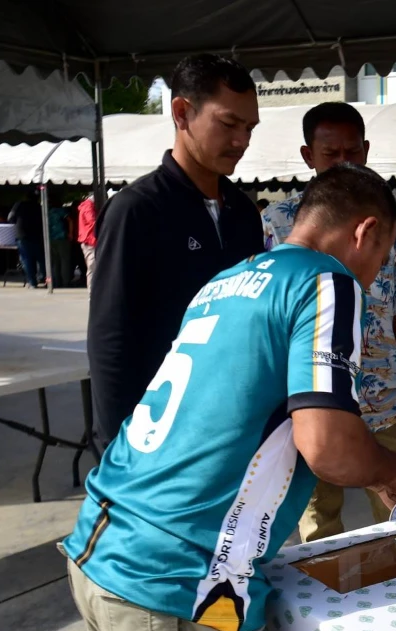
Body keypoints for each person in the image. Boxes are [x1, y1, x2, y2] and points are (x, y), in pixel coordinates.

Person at [62, 163, 396, 631]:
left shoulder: (230, 279)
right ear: (366, 231)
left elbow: (249, 414)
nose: (375, 276)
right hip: (181, 585)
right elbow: (326, 445)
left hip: (105, 550)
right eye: (382, 254)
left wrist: (364, 460)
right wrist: (394, 467)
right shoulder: (329, 280)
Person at [260, 102, 396, 540]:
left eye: (353, 153)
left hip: (385, 403)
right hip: (312, 405)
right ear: (307, 156)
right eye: (330, 154)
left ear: (367, 150)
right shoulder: (277, 225)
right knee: (320, 528)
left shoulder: (386, 221)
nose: (344, 163)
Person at [87, 54, 262, 450]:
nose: (242, 141)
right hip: (160, 434)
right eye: (229, 123)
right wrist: (117, 449)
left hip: (231, 429)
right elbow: (111, 339)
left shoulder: (244, 213)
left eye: (249, 127)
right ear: (182, 113)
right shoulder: (137, 209)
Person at [8, 191, 45, 287]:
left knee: (26, 259)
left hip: (22, 235)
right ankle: (43, 278)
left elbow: (10, 217)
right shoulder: (39, 207)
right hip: (37, 235)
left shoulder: (19, 205)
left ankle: (32, 282)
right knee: (40, 259)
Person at [47, 193, 72, 287]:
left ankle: (57, 282)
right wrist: (70, 233)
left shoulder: (47, 212)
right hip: (62, 237)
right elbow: (70, 220)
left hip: (50, 238)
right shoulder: (61, 211)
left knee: (55, 262)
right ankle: (66, 282)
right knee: (65, 261)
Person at [76, 193, 97, 290]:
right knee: (92, 268)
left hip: (88, 240)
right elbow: (92, 221)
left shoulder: (86, 206)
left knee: (92, 267)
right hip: (90, 240)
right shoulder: (88, 207)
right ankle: (92, 291)